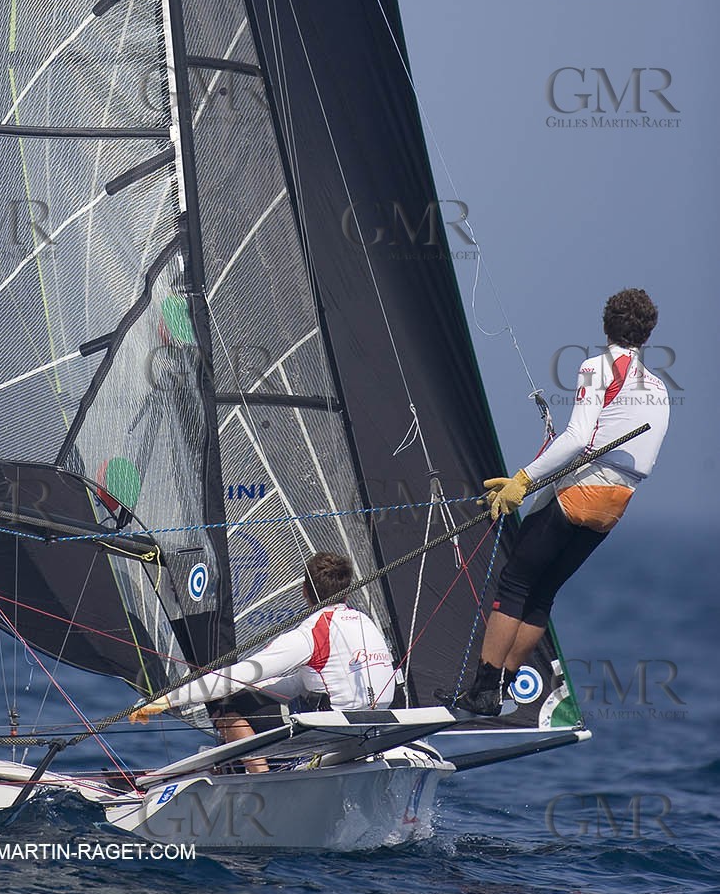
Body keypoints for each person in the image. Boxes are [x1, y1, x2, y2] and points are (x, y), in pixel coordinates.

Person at [456, 288, 669, 716]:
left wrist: (522, 480)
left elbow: (577, 438)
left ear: (606, 324)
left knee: (515, 583)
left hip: (580, 493)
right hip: (614, 506)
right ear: (647, 334)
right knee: (543, 594)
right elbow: (641, 456)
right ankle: (503, 689)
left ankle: (483, 689)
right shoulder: (660, 388)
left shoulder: (597, 367)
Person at [129, 552, 398, 772]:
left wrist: (166, 700)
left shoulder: (311, 633)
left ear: (305, 590)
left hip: (330, 735)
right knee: (251, 695)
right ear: (346, 592)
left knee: (226, 702)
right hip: (374, 729)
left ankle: (261, 780)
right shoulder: (365, 622)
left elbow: (237, 676)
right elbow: (299, 683)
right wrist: (256, 691)